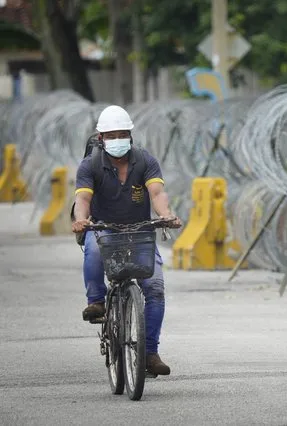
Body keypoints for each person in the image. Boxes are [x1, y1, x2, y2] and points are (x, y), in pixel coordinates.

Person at [71, 105, 182, 376]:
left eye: (122, 133)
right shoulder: (90, 165)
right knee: (94, 249)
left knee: (155, 288)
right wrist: (81, 220)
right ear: (101, 137)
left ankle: (150, 353)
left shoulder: (144, 161)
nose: (117, 139)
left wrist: (166, 215)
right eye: (111, 135)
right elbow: (82, 199)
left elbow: (157, 193)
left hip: (140, 231)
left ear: (130, 135)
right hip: (104, 230)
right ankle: (96, 301)